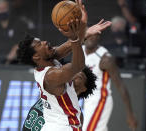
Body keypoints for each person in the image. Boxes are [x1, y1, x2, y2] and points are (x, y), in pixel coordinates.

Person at [16, 0, 112, 130]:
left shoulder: (48, 60)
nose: (44, 42)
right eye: (39, 44)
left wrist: (84, 28)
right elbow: (77, 66)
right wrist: (75, 38)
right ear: (36, 56)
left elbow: (67, 46)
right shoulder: (51, 76)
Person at [82, 34, 137, 131]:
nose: (90, 37)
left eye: (93, 35)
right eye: (88, 33)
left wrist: (130, 114)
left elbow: (121, 86)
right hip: (84, 99)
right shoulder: (80, 51)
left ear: (98, 37)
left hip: (99, 99)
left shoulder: (105, 58)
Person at [22, 66, 97, 131]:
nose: (74, 76)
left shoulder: (76, 114)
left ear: (84, 88)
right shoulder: (52, 90)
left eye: (79, 77)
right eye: (74, 73)